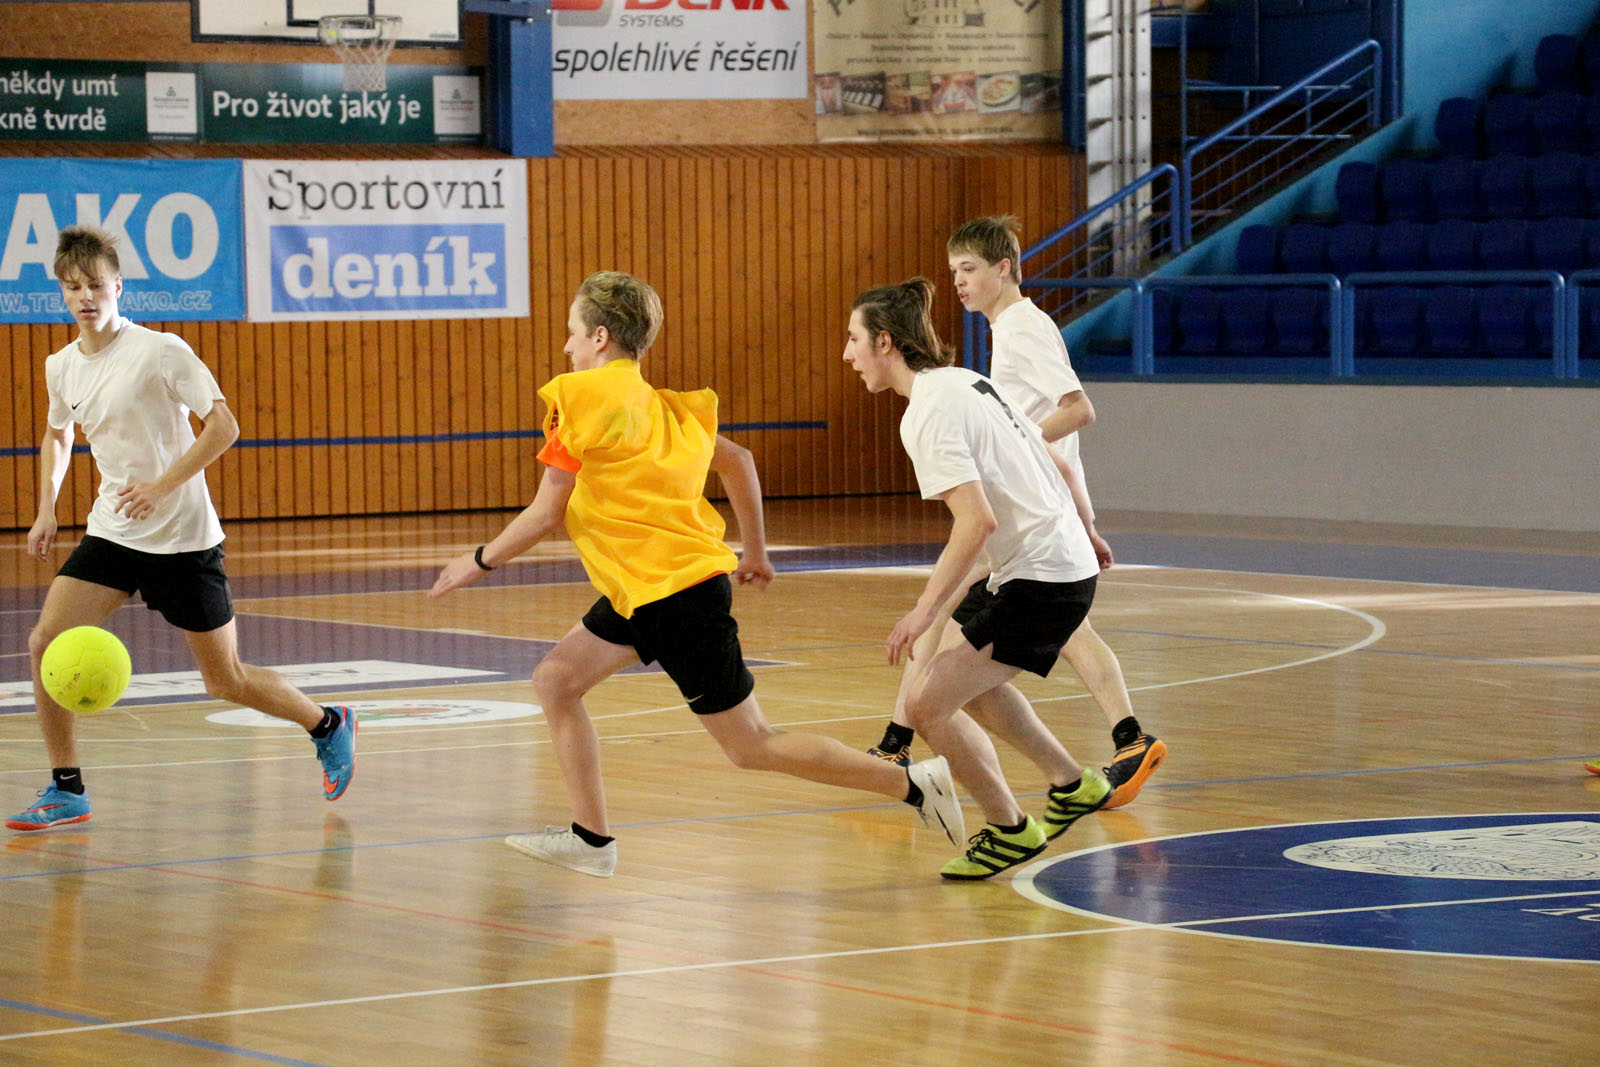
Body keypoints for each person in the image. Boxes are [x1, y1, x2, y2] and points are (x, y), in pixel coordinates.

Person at [428, 270, 964, 879]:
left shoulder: (577, 399)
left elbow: (548, 509)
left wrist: (479, 560)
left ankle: (912, 785)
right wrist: (755, 552)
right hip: (646, 590)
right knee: (555, 679)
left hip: (672, 597)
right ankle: (591, 839)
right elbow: (740, 462)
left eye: (573, 333)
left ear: (600, 337)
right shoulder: (666, 410)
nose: (567, 346)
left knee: (751, 744)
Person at [7, 226, 355, 832]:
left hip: (182, 538)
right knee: (45, 643)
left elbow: (224, 426)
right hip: (113, 531)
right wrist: (47, 507)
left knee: (225, 680)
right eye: (73, 288)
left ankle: (328, 724)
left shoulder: (160, 350)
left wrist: (162, 485)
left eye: (95, 285)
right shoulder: (60, 366)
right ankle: (67, 788)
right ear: (61, 292)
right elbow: (58, 434)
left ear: (118, 286)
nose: (85, 297)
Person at [866, 215, 1166, 811]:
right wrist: (1084, 520)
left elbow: (1079, 409)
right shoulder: (1010, 330)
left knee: (940, 616)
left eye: (968, 269)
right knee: (1053, 632)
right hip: (1044, 514)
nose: (958, 281)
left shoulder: (1022, 328)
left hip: (1029, 516)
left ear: (1004, 268)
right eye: (953, 271)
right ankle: (1127, 741)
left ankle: (899, 742)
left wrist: (1013, 441)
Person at [844, 277, 1113, 880]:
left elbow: (976, 521)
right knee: (970, 684)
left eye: (854, 339)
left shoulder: (928, 412)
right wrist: (1087, 528)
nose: (847, 353)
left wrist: (922, 611)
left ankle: (1010, 829)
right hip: (1046, 564)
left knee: (927, 704)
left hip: (1043, 577)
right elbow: (1051, 459)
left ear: (885, 342)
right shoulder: (968, 381)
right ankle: (1071, 783)